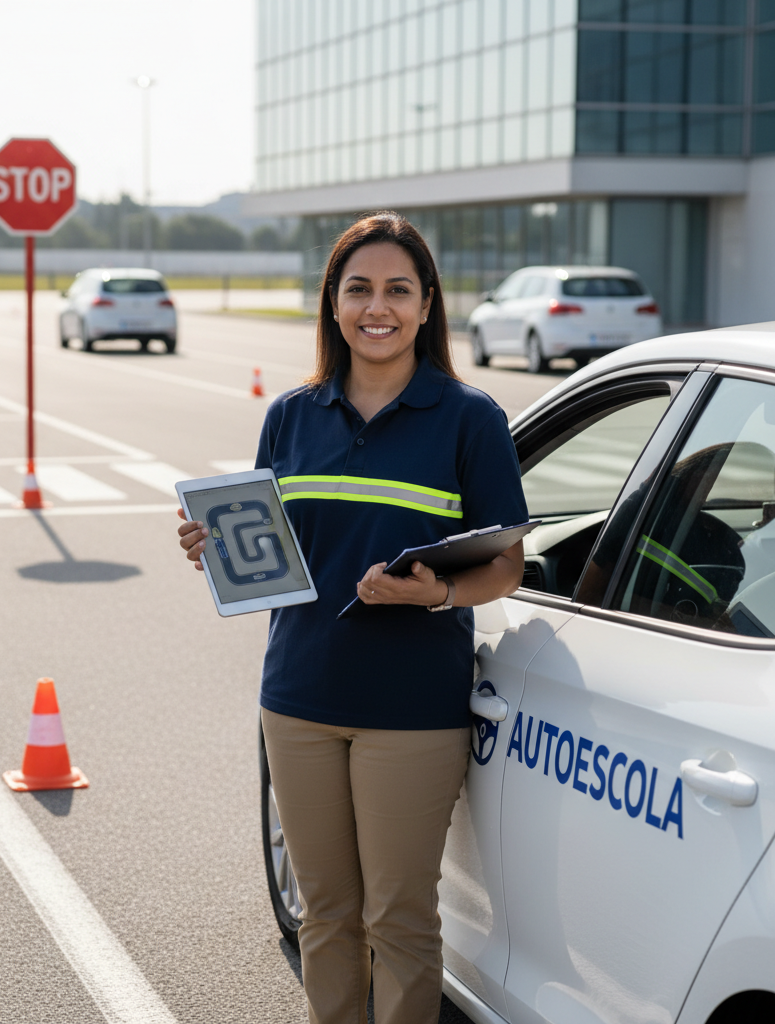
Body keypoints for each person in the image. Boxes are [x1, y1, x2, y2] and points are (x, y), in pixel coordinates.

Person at [177, 212, 527, 1024]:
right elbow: (271, 553)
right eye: (359, 289)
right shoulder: (290, 416)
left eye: (398, 290)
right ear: (332, 303)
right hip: (297, 701)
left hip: (412, 711)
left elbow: (505, 565)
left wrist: (434, 594)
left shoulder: (470, 418)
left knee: (398, 920)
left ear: (428, 304)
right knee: (325, 915)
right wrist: (214, 547)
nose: (378, 307)